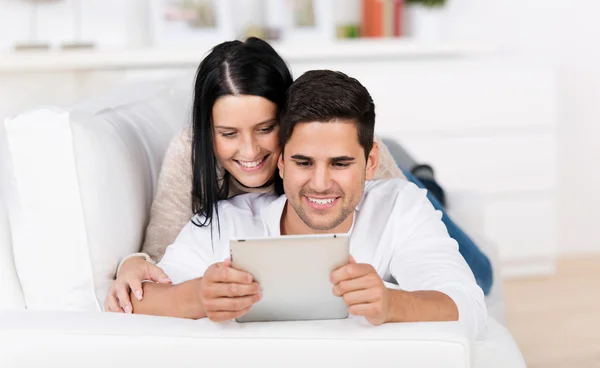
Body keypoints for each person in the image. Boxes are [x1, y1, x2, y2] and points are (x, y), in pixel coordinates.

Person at [104, 38, 492, 315]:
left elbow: (387, 212)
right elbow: (157, 263)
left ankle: (427, 177)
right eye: (228, 134)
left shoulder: (372, 174)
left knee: (480, 271)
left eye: (264, 128)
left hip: (401, 179)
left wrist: (395, 301)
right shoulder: (199, 172)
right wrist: (135, 264)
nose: (250, 151)